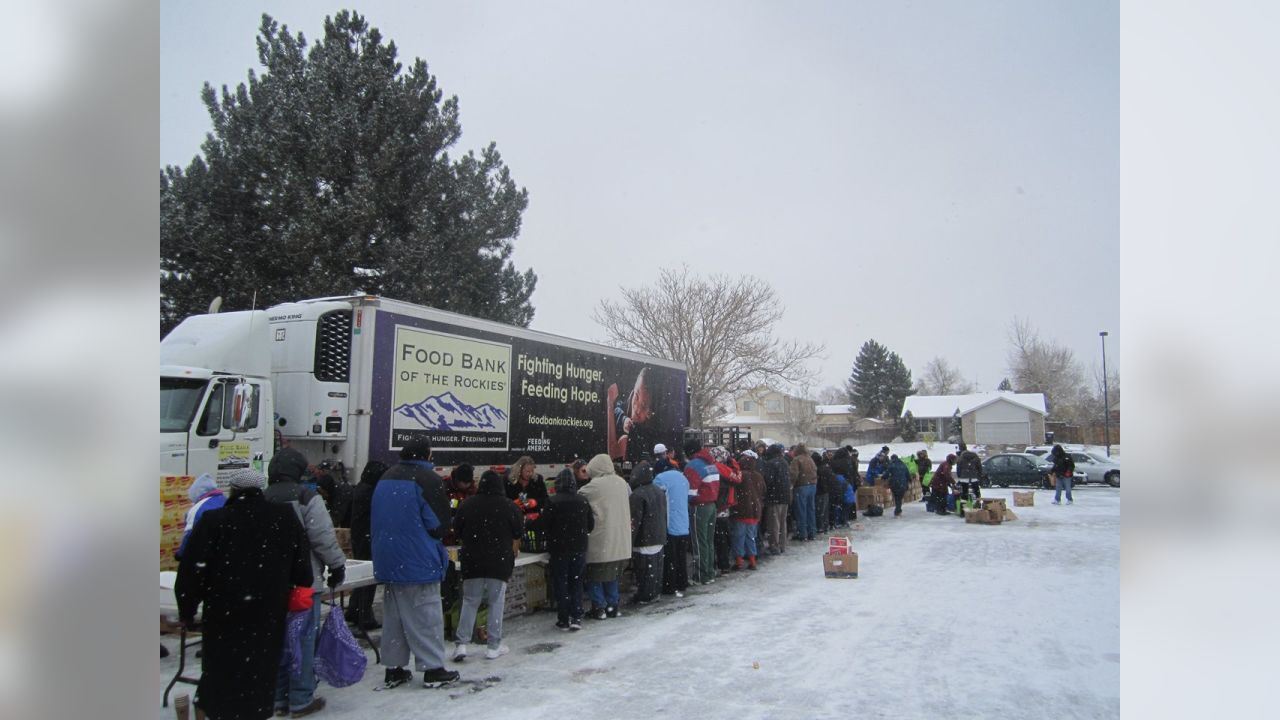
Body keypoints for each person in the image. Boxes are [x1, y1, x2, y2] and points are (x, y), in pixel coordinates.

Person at [176, 468, 314, 720]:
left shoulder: (214, 521)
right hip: (268, 612)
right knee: (260, 672)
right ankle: (256, 711)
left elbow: (191, 572)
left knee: (222, 672)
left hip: (223, 612)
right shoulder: (283, 518)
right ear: (260, 490)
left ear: (233, 490)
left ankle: (221, 711)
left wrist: (187, 609)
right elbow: (302, 569)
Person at [371, 439, 460, 689]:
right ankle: (433, 669)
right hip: (417, 559)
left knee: (395, 618)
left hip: (387, 558)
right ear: (426, 455)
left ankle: (394, 668)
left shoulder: (387, 476)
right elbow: (438, 525)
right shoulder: (427, 479)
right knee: (426, 615)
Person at [264, 446, 346, 715]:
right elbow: (322, 537)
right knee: (302, 640)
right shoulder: (305, 497)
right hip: (303, 583)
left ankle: (277, 696)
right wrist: (336, 565)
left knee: (276, 641)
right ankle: (300, 698)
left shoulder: (262, 497)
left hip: (270, 584)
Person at [451, 470, 524, 662]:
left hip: (472, 561)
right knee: (496, 603)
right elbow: (518, 531)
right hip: (498, 562)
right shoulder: (509, 506)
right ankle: (493, 646)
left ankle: (461, 645)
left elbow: (457, 530)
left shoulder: (467, 505)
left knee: (469, 601)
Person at [580, 453, 633, 618]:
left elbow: (578, 496)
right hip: (620, 539)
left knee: (594, 574)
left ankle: (599, 607)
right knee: (612, 575)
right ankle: (613, 605)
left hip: (601, 538)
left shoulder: (593, 487)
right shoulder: (621, 482)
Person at [542, 468, 594, 630]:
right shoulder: (582, 500)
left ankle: (563, 618)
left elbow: (544, 524)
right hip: (579, 547)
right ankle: (576, 616)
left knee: (561, 583)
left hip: (559, 548)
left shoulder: (553, 501)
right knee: (576, 582)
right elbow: (590, 525)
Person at [349, 460, 387, 631]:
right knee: (369, 576)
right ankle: (364, 614)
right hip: (369, 536)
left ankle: (354, 609)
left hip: (359, 535)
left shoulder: (361, 488)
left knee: (360, 575)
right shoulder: (372, 492)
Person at [682, 438, 721, 584]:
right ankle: (709, 572)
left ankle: (701, 575)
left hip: (699, 508)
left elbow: (690, 493)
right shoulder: (711, 464)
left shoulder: (692, 466)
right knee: (709, 542)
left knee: (699, 542)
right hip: (712, 506)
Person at [652, 454, 691, 598]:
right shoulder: (682, 477)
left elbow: (657, 498)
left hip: (670, 523)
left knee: (670, 557)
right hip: (683, 522)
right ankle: (682, 582)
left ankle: (670, 585)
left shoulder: (660, 479)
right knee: (681, 555)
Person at [628, 463, 668, 604]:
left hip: (644, 538)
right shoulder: (658, 491)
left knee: (644, 571)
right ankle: (654, 593)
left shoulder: (637, 495)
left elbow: (634, 521)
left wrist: (629, 542)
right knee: (655, 569)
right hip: (659, 535)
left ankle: (645, 595)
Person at [176, 473, 225, 559]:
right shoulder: (224, 500)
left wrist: (180, 554)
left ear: (196, 492)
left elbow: (190, 534)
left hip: (203, 553)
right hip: (221, 552)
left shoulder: (198, 508)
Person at [731, 450, 765, 570]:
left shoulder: (741, 475)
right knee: (751, 536)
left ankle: (739, 561)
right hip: (755, 511)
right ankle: (752, 560)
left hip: (741, 510)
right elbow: (763, 492)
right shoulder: (758, 475)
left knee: (739, 536)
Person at [710, 446, 741, 576]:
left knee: (715, 538)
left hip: (716, 507)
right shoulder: (727, 469)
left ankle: (717, 564)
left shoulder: (715, 467)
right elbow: (737, 478)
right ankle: (724, 564)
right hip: (724, 508)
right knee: (723, 538)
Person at [760, 443, 791, 555]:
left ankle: (775, 546)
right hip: (785, 496)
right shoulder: (784, 462)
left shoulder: (771, 464)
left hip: (774, 497)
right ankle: (782, 544)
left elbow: (768, 480)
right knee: (783, 522)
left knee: (774, 523)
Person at [506, 456, 548, 536]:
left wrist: (535, 502)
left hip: (533, 520)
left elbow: (546, 499)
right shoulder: (508, 481)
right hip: (515, 520)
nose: (530, 473)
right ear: (519, 470)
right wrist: (513, 504)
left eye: (532, 470)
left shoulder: (538, 480)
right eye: (527, 471)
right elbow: (503, 501)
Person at [788, 443, 818, 541]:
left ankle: (802, 533)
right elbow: (815, 471)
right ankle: (812, 532)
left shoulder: (797, 460)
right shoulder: (810, 458)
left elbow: (793, 474)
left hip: (801, 486)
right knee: (811, 510)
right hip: (812, 486)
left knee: (801, 511)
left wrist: (791, 485)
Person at [813, 452, 834, 533]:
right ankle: (825, 526)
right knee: (824, 510)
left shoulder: (818, 469)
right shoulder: (825, 467)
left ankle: (820, 527)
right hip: (825, 491)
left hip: (819, 491)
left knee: (819, 510)